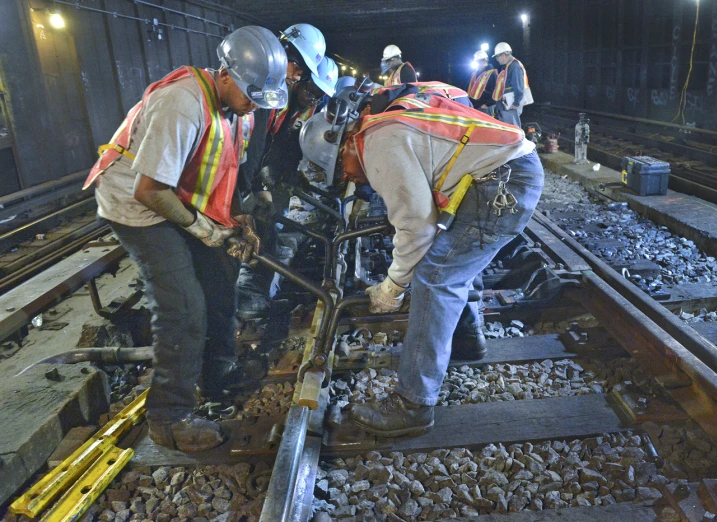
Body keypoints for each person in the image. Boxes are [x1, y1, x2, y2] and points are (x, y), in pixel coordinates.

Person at [84, 26, 289, 452]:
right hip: (137, 205)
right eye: (250, 93)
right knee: (182, 304)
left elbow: (227, 171)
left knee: (219, 280)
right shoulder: (182, 105)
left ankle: (218, 372)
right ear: (226, 74)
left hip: (177, 194)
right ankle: (169, 415)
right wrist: (206, 230)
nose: (254, 103)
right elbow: (149, 190)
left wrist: (239, 219)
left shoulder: (241, 108)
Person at [308, 85, 543, 437]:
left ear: (344, 143)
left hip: (503, 181)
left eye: (342, 172)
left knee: (435, 277)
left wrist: (394, 286)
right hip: (507, 173)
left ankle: (413, 404)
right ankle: (468, 339)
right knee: (453, 257)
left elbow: (417, 226)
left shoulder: (377, 144)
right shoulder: (382, 127)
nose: (350, 180)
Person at [236, 24, 328, 320]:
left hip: (246, 174)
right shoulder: (260, 86)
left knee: (264, 228)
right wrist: (251, 188)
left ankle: (251, 295)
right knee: (252, 230)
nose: (298, 76)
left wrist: (279, 178)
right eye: (298, 68)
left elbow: (276, 144)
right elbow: (250, 144)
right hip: (231, 174)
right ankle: (245, 298)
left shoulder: (283, 96)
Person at [492, 42, 533, 128]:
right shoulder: (508, 66)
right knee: (508, 129)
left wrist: (516, 103)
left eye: (497, 57)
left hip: (511, 105)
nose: (497, 59)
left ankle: (517, 142)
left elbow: (518, 86)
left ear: (503, 55)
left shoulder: (514, 66)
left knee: (513, 129)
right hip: (506, 104)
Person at [467, 50, 497, 116]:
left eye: (478, 62)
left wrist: (488, 104)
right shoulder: (474, 74)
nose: (477, 64)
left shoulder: (492, 74)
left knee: (487, 125)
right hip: (474, 106)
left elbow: (496, 91)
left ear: (484, 61)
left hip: (485, 107)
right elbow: (468, 88)